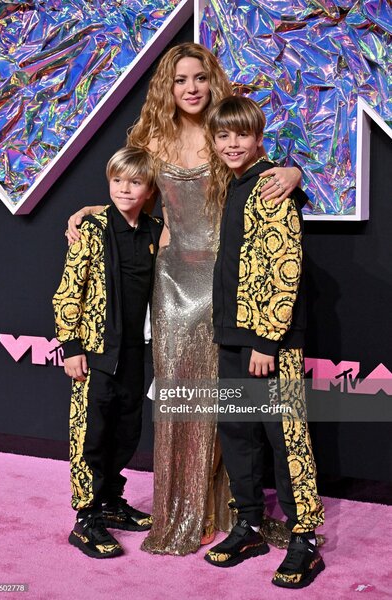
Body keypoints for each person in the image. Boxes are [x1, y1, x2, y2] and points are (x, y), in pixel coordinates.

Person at [66, 43, 304, 555]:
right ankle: (182, 509)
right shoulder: (149, 136)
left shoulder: (224, 131)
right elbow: (131, 192)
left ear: (211, 80)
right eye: (180, 80)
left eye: (199, 77)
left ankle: (235, 512)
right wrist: (91, 210)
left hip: (226, 281)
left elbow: (258, 174)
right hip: (173, 282)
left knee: (228, 403)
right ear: (167, 87)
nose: (191, 88)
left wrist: (295, 173)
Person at [203, 95, 324, 588]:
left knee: (285, 437)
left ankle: (305, 539)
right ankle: (249, 525)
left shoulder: (272, 185)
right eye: (223, 135)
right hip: (234, 334)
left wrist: (267, 341)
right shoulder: (235, 186)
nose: (232, 144)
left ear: (258, 138)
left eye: (242, 135)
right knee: (238, 432)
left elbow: (285, 267)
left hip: (270, 342)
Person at [53, 147, 163, 558]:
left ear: (149, 190)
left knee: (125, 431)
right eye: (117, 181)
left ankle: (112, 502)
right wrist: (72, 347)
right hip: (97, 353)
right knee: (92, 435)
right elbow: (69, 291)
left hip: (135, 352)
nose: (124, 189)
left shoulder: (155, 231)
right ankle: (86, 518)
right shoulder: (92, 229)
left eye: (134, 182)